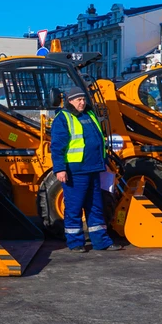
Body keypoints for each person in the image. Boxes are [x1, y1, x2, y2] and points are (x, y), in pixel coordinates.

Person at [50, 86, 121, 253]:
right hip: (75, 170)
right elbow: (57, 146)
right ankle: (75, 243)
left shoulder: (89, 114)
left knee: (95, 206)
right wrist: (60, 169)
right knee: (74, 207)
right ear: (70, 101)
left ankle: (101, 241)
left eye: (83, 99)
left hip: (93, 168)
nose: (82, 102)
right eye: (78, 100)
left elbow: (98, 140)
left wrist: (104, 162)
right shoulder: (63, 118)